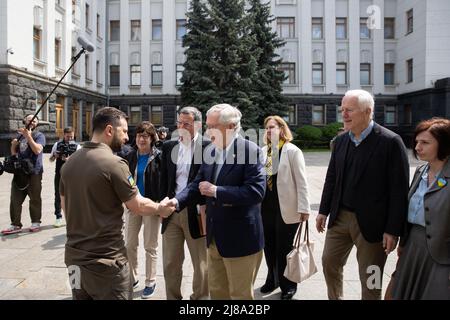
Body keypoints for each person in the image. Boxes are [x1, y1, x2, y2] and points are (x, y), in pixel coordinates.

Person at [59, 107, 175, 300]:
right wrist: (160, 208)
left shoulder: (69, 163)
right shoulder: (115, 164)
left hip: (73, 261)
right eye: (123, 131)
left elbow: (66, 209)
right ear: (109, 130)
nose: (127, 138)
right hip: (106, 263)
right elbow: (137, 205)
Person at [316, 89, 410, 300]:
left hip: (374, 225)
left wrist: (393, 230)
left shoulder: (390, 142)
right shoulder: (340, 141)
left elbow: (399, 190)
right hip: (339, 217)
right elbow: (332, 178)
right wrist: (323, 210)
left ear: (368, 112)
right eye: (342, 110)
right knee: (329, 262)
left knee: (372, 277)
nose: (344, 115)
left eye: (349, 110)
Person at [169, 104, 266, 300]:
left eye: (212, 126)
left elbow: (256, 192)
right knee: (217, 293)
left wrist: (217, 191)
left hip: (240, 240)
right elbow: (197, 184)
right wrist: (176, 202)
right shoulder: (211, 151)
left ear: (231, 127)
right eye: (207, 126)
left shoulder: (250, 150)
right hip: (214, 238)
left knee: (240, 296)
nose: (207, 131)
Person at [392, 118, 450, 300]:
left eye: (425, 142)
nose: (417, 147)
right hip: (413, 246)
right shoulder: (420, 171)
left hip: (441, 253)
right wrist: (403, 242)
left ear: (444, 145)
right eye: (417, 142)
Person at [159, 107, 209, 300]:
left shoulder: (207, 146)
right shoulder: (169, 146)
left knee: (201, 264)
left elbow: (203, 181)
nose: (181, 127)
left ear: (197, 124)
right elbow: (164, 179)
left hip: (196, 213)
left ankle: (200, 299)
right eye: (179, 123)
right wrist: (161, 205)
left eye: (186, 124)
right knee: (171, 262)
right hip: (171, 212)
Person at [260, 115, 311, 300]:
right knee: (269, 247)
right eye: (266, 128)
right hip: (265, 208)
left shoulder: (292, 151)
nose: (268, 131)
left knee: (285, 249)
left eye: (272, 127)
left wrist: (304, 208)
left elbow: (302, 182)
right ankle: (271, 279)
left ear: (282, 129)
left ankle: (288, 285)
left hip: (287, 208)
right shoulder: (263, 151)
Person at [122, 121, 162, 299]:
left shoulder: (159, 157)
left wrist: (161, 205)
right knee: (130, 244)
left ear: (152, 138)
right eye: (138, 136)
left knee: (150, 246)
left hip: (151, 205)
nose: (141, 139)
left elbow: (164, 181)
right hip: (132, 205)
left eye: (145, 136)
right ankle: (133, 277)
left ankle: (150, 281)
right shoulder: (130, 156)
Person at [2, 114, 46, 235]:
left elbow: (37, 150)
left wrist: (29, 137)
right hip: (19, 172)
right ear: (24, 121)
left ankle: (35, 222)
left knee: (35, 198)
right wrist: (13, 146)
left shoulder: (39, 135)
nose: (32, 121)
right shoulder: (20, 136)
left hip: (34, 172)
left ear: (37, 124)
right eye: (29, 119)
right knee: (15, 198)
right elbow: (14, 155)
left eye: (34, 120)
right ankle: (15, 224)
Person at [49, 127, 81, 228]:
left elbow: (80, 162)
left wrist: (70, 159)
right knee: (58, 195)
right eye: (68, 137)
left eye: (71, 136)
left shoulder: (77, 146)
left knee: (73, 196)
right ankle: (58, 217)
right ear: (64, 135)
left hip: (72, 175)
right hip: (59, 174)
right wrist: (55, 155)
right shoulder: (57, 144)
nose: (70, 138)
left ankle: (74, 217)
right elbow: (50, 160)